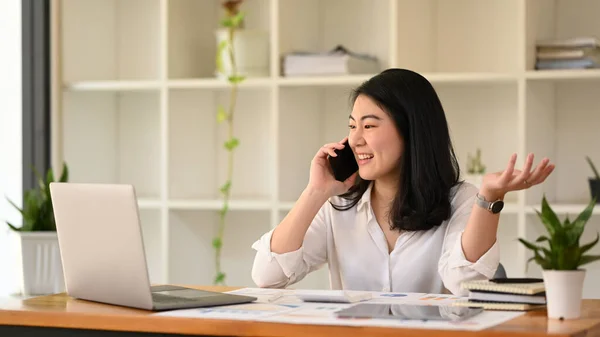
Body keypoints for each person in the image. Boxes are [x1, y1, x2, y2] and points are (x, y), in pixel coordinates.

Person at [250, 68, 555, 295]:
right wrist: (315, 192)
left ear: (411, 131)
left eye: (369, 125)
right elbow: (267, 276)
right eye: (352, 126)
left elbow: (466, 285)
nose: (355, 139)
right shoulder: (339, 205)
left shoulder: (461, 200)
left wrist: (489, 198)